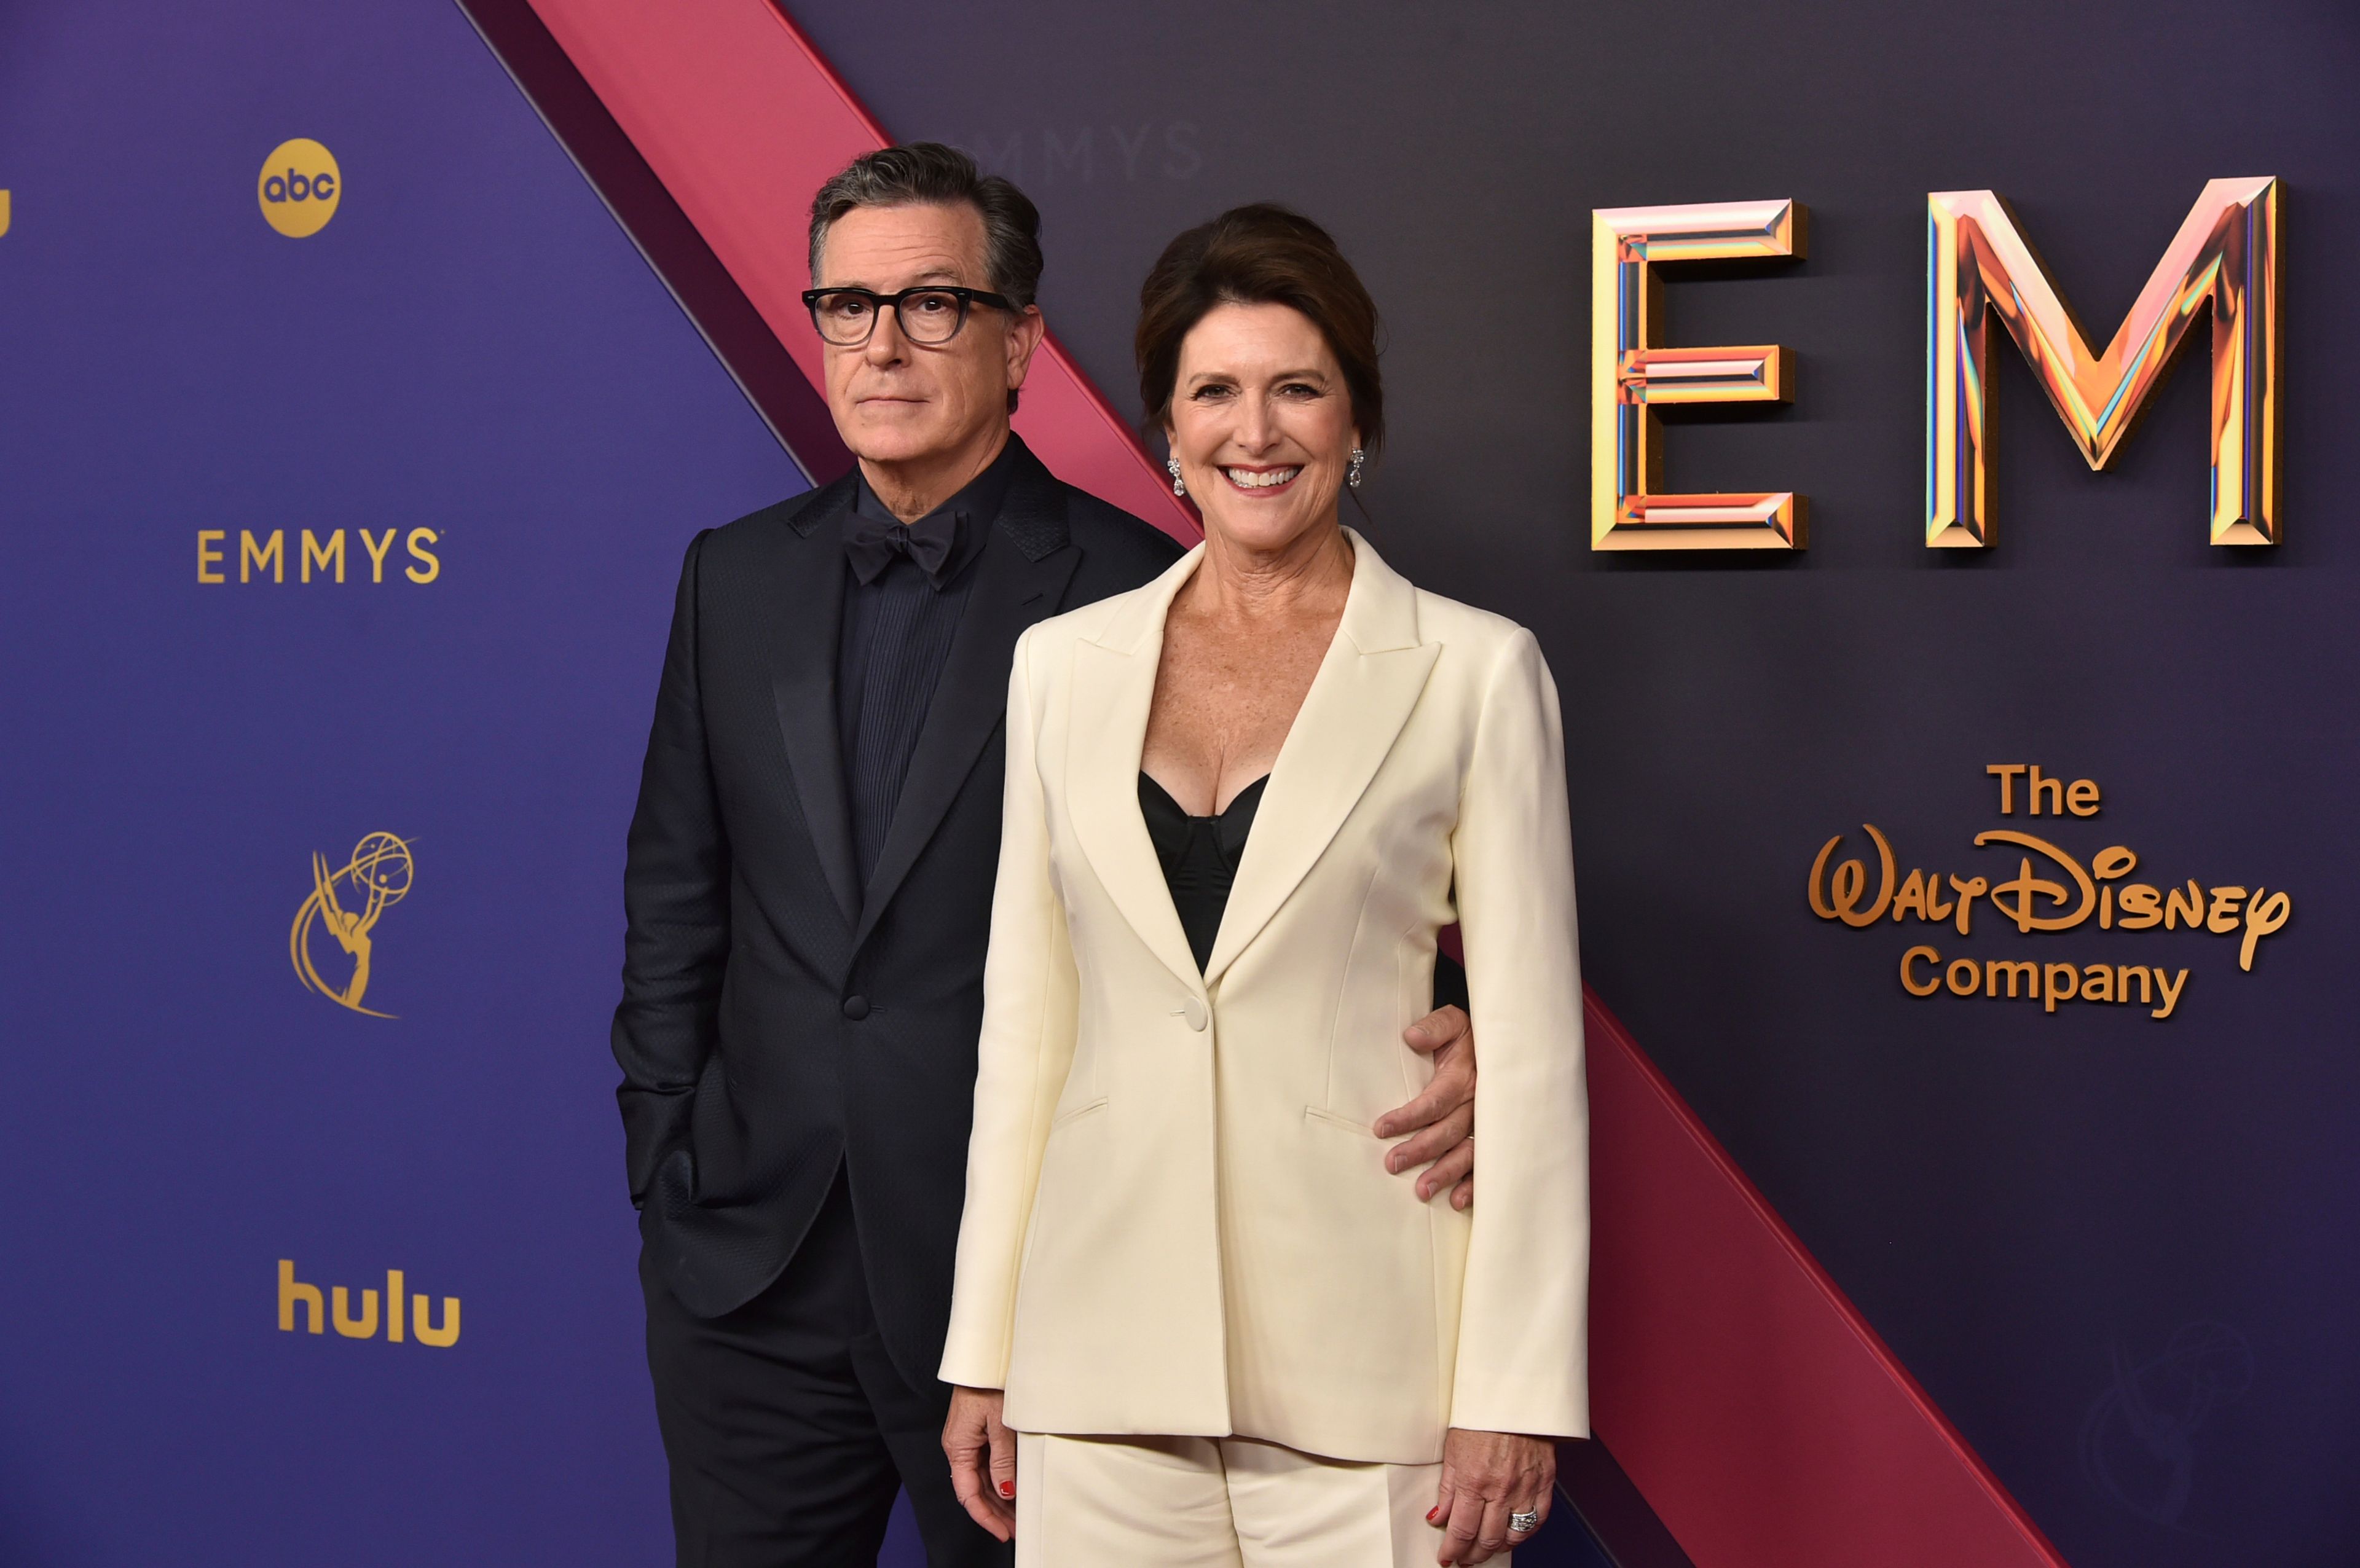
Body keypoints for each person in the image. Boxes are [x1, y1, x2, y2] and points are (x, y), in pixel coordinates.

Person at [614, 147, 1489, 1568]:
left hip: (1032, 1299)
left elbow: (1284, 903)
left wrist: (1479, 1036)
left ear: (1022, 337)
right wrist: (666, 1158)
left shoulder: (1138, 592)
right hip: (746, 1274)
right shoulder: (733, 574)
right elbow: (675, 892)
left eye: (934, 304)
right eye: (848, 305)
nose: (882, 343)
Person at [940, 205, 1589, 1568]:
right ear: (1168, 433)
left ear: (1358, 422)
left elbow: (1531, 1057)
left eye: (1299, 387)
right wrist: (986, 1346)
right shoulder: (1062, 667)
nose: (1258, 429)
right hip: (1099, 1367)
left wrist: (1511, 1393)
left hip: (1374, 1382)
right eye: (1214, 392)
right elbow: (1027, 1035)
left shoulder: (1476, 671)